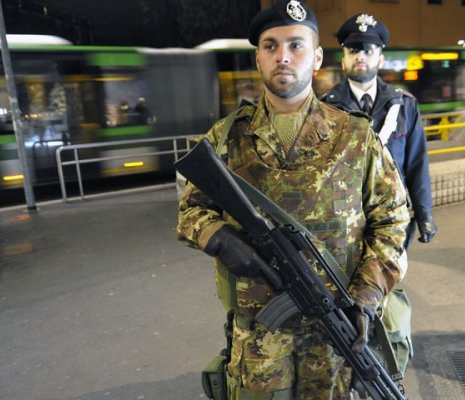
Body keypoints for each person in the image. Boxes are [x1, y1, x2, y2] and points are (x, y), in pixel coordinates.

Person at [176, 1, 410, 398]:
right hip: (257, 337)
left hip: (335, 331)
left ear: (317, 57)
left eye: (296, 45)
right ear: (258, 58)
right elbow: (190, 211)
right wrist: (217, 236)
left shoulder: (354, 137)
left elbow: (392, 220)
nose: (282, 56)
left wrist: (366, 298)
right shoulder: (227, 137)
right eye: (270, 46)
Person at [322, 13, 436, 248]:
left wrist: (425, 212)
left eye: (368, 50)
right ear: (343, 60)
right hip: (345, 221)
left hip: (393, 219)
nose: (360, 56)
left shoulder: (404, 105)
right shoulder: (325, 108)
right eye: (353, 50)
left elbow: (416, 163)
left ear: (381, 59)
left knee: (389, 281)